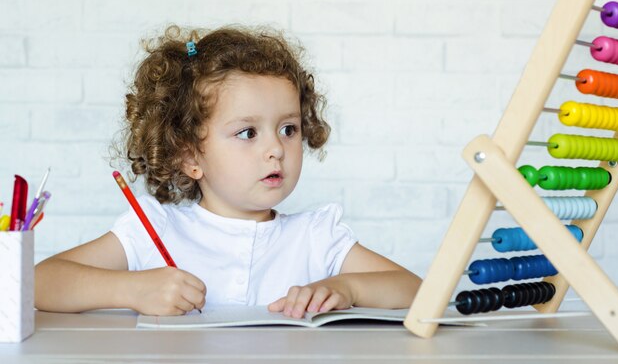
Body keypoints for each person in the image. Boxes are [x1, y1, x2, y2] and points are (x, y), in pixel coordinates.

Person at [35, 25, 421, 318]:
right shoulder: (154, 230)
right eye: (247, 132)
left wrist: (347, 288)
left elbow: (416, 290)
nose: (276, 149)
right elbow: (40, 282)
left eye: (288, 129)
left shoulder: (316, 237)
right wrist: (131, 290)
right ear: (190, 157)